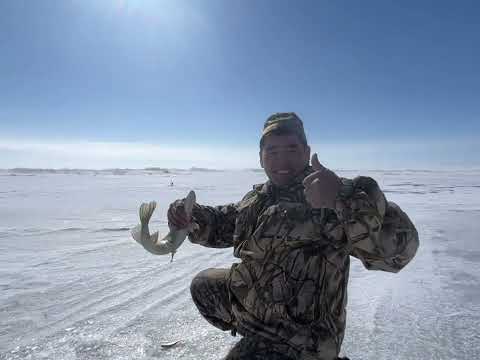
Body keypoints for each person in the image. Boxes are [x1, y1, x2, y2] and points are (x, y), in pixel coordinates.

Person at [168, 113, 419, 360]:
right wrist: (192, 217)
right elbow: (224, 223)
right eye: (273, 152)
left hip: (301, 340)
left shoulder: (328, 193)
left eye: (291, 149)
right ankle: (252, 333)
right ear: (260, 157)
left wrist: (341, 200)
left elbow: (397, 255)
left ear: (307, 152)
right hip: (259, 318)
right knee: (203, 285)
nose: (282, 161)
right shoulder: (259, 198)